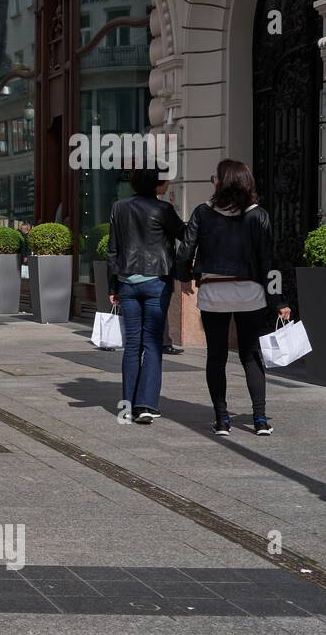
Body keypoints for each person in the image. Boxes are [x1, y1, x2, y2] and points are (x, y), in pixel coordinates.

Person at [177, 159, 291, 436]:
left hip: (214, 294)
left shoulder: (202, 213)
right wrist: (279, 302)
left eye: (214, 177)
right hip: (250, 295)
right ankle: (260, 419)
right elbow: (269, 261)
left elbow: (185, 251)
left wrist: (184, 277)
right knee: (251, 356)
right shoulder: (258, 215)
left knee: (215, 357)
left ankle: (221, 419)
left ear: (221, 182)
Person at [107, 166, 185, 424]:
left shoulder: (119, 207)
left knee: (132, 344)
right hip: (156, 282)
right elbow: (185, 235)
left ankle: (126, 406)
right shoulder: (163, 209)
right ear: (156, 184)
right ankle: (146, 405)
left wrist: (113, 288)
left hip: (127, 282)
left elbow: (112, 250)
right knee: (152, 344)